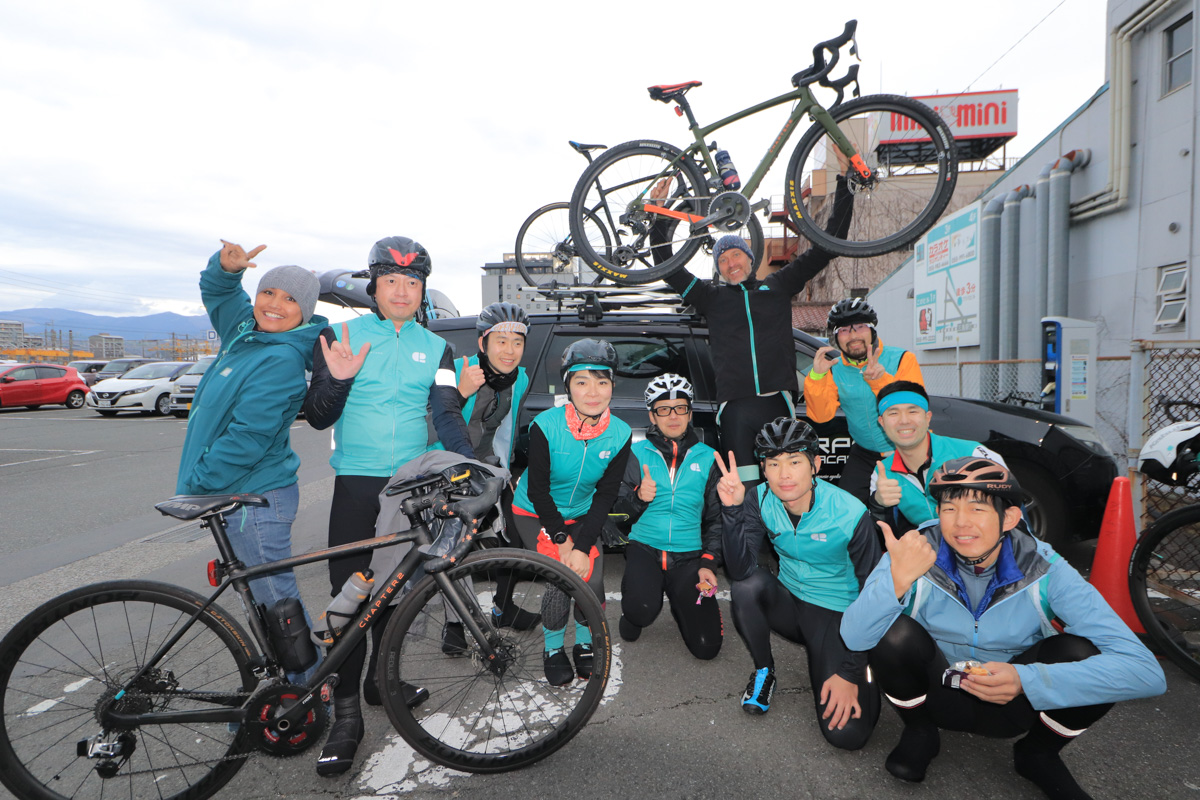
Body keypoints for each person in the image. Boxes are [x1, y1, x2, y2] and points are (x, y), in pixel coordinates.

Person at [840, 457, 1166, 799]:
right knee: (893, 634)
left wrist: (1028, 680)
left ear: (1009, 517)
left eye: (978, 509)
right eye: (949, 508)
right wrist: (897, 578)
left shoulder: (1045, 567)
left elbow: (1146, 672)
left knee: (1081, 653)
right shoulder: (915, 550)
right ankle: (920, 731)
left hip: (1015, 702)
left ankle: (1038, 752)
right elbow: (854, 636)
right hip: (937, 692)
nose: (960, 523)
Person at [302, 235, 475, 777]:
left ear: (423, 289)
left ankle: (382, 680)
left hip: (411, 489)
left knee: (397, 595)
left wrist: (466, 464)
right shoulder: (340, 335)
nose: (402, 291)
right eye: (392, 281)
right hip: (356, 485)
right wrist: (339, 382)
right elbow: (317, 416)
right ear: (374, 286)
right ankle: (348, 715)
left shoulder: (436, 346)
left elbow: (446, 412)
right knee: (349, 599)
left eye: (413, 282)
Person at [176, 239, 326, 684]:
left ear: (306, 311)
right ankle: (284, 679)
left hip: (256, 498)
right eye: (269, 292)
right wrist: (225, 270)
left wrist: (200, 482)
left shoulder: (281, 357)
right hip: (239, 493)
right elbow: (221, 296)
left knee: (276, 599)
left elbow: (249, 438)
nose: (276, 304)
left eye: (291, 299)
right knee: (261, 598)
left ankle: (304, 688)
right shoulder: (246, 333)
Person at [655, 172, 853, 484]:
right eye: (722, 259)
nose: (730, 262)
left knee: (782, 487)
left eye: (736, 254)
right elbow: (666, 264)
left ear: (749, 258)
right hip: (735, 410)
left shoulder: (777, 286)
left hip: (777, 402)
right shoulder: (711, 298)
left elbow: (829, 245)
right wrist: (659, 210)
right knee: (744, 491)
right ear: (718, 269)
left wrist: (845, 184)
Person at [715, 417, 881, 750]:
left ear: (816, 464)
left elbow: (875, 595)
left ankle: (857, 668)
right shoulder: (759, 498)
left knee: (846, 735)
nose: (784, 474)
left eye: (794, 461)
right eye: (773, 463)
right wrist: (731, 511)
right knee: (746, 587)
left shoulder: (849, 512)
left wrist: (852, 668)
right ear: (763, 469)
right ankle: (764, 672)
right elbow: (740, 568)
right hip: (790, 603)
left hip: (838, 616)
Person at [511, 339, 632, 684]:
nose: (593, 392)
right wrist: (563, 542)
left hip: (582, 512)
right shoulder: (545, 426)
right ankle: (552, 648)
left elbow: (606, 496)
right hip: (535, 512)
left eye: (602, 381)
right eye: (582, 382)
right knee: (560, 576)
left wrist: (581, 545)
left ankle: (582, 644)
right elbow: (538, 491)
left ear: (612, 385)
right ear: (568, 386)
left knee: (590, 578)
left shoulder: (620, 434)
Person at [429, 301, 541, 649]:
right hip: (451, 470)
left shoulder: (518, 378)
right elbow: (430, 425)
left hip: (490, 468)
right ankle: (455, 627)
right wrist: (462, 391)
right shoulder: (459, 369)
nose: (510, 351)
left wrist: (504, 471)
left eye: (517, 342)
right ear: (483, 343)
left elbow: (505, 428)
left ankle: (502, 608)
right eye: (501, 341)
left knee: (514, 538)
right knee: (453, 547)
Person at [613, 373, 723, 659]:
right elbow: (615, 517)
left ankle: (679, 594)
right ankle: (638, 606)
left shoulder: (710, 458)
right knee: (641, 613)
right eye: (663, 409)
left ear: (690, 412)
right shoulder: (634, 454)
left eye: (680, 408)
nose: (672, 416)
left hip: (689, 556)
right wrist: (637, 499)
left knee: (707, 648)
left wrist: (709, 561)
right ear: (652, 414)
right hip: (644, 549)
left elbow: (716, 520)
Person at [804, 297, 924, 505]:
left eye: (860, 327)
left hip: (906, 450)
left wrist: (880, 381)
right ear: (835, 338)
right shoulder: (834, 368)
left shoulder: (902, 359)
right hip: (864, 452)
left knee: (907, 512)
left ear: (872, 331)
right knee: (849, 510)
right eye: (844, 330)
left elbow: (913, 408)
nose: (853, 336)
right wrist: (816, 377)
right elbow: (822, 416)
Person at [869, 380, 1004, 533]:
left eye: (912, 411)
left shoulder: (972, 453)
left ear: (928, 418)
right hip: (929, 548)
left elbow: (1012, 515)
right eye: (893, 413)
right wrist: (878, 504)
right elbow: (882, 534)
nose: (904, 420)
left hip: (981, 545)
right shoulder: (882, 473)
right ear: (882, 422)